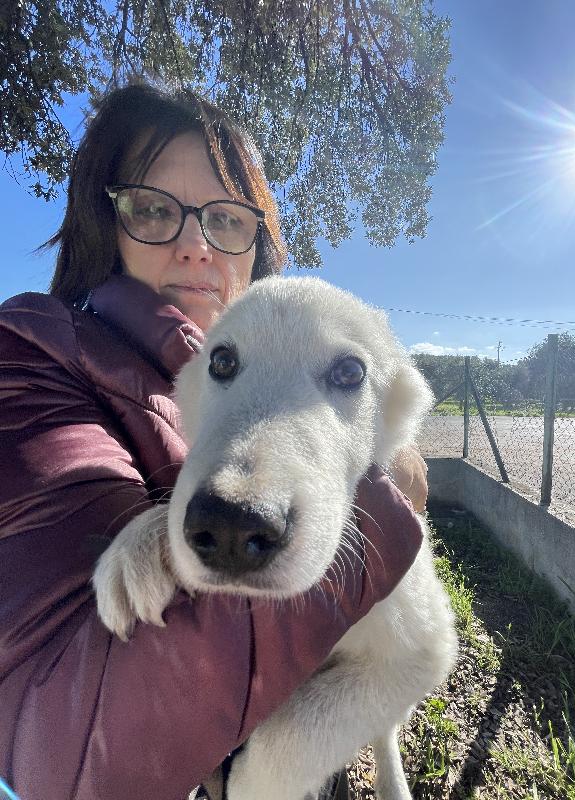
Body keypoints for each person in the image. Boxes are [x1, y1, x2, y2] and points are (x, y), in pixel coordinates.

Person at [0, 79, 427, 800]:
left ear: (255, 246)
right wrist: (385, 499)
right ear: (105, 221)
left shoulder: (249, 353)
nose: (197, 246)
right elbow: (71, 741)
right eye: (156, 209)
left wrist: (380, 448)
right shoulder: (30, 353)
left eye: (227, 219)